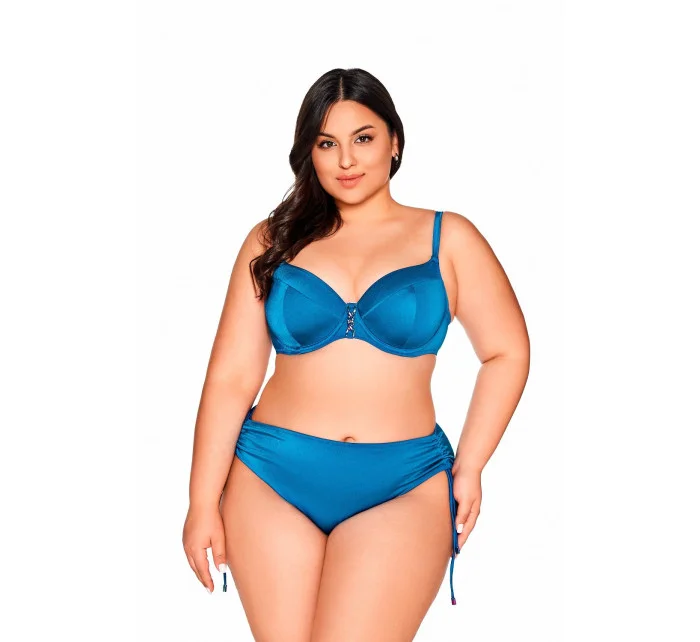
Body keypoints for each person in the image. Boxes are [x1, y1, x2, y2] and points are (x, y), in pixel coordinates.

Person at [182, 67, 530, 641]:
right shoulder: (272, 240)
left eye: (363, 138)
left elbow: (507, 351)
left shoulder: (449, 238)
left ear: (394, 141)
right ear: (309, 153)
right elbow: (231, 378)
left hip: (403, 482)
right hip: (270, 476)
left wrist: (470, 465)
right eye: (327, 143)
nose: (346, 160)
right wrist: (200, 501)